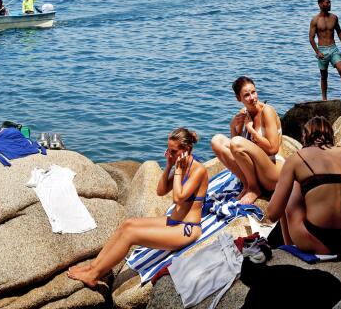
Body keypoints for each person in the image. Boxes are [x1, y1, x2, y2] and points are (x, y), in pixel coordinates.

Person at [68, 127, 207, 289]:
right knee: (128, 224)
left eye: (173, 152)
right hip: (174, 222)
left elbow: (178, 197)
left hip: (186, 229)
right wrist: (169, 165)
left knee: (131, 235)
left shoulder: (198, 170)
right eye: (168, 150)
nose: (170, 154)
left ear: (187, 149)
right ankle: (93, 267)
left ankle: (93, 275)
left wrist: (178, 171)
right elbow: (161, 191)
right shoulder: (179, 164)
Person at [268, 116, 341, 254]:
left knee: (293, 189)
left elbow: (273, 214)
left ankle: (290, 249)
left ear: (305, 136)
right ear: (331, 136)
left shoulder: (297, 158)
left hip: (317, 241)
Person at [211, 76, 284, 204]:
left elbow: (273, 148)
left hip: (273, 172)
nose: (252, 98)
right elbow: (236, 150)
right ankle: (248, 184)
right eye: (246, 95)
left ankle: (254, 189)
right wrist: (233, 126)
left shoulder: (267, 111)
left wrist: (251, 131)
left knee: (237, 143)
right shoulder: (244, 113)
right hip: (256, 171)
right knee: (217, 140)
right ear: (239, 98)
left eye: (253, 92)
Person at [309, 0, 341, 101]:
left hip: (333, 49)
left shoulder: (334, 17)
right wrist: (317, 52)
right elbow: (311, 38)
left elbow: (339, 31)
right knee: (324, 76)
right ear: (320, 4)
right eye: (327, 3)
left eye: (329, 2)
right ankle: (324, 99)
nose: (329, 4)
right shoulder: (315, 20)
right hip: (322, 51)